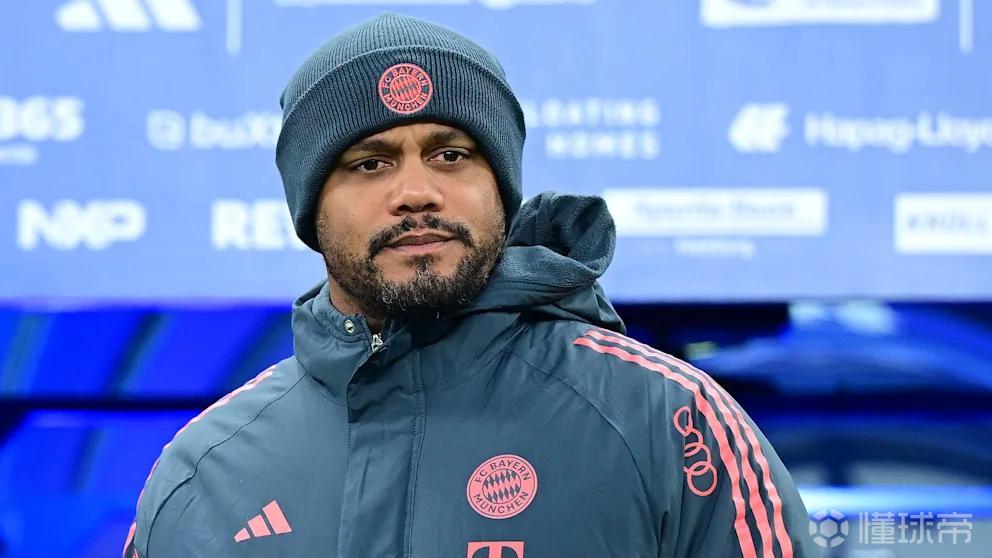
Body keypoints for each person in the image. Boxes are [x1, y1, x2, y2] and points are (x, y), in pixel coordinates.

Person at [124, 12, 818, 558]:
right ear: (309, 207)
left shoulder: (668, 422)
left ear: (501, 188)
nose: (416, 192)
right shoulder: (203, 473)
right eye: (369, 163)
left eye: (451, 154)